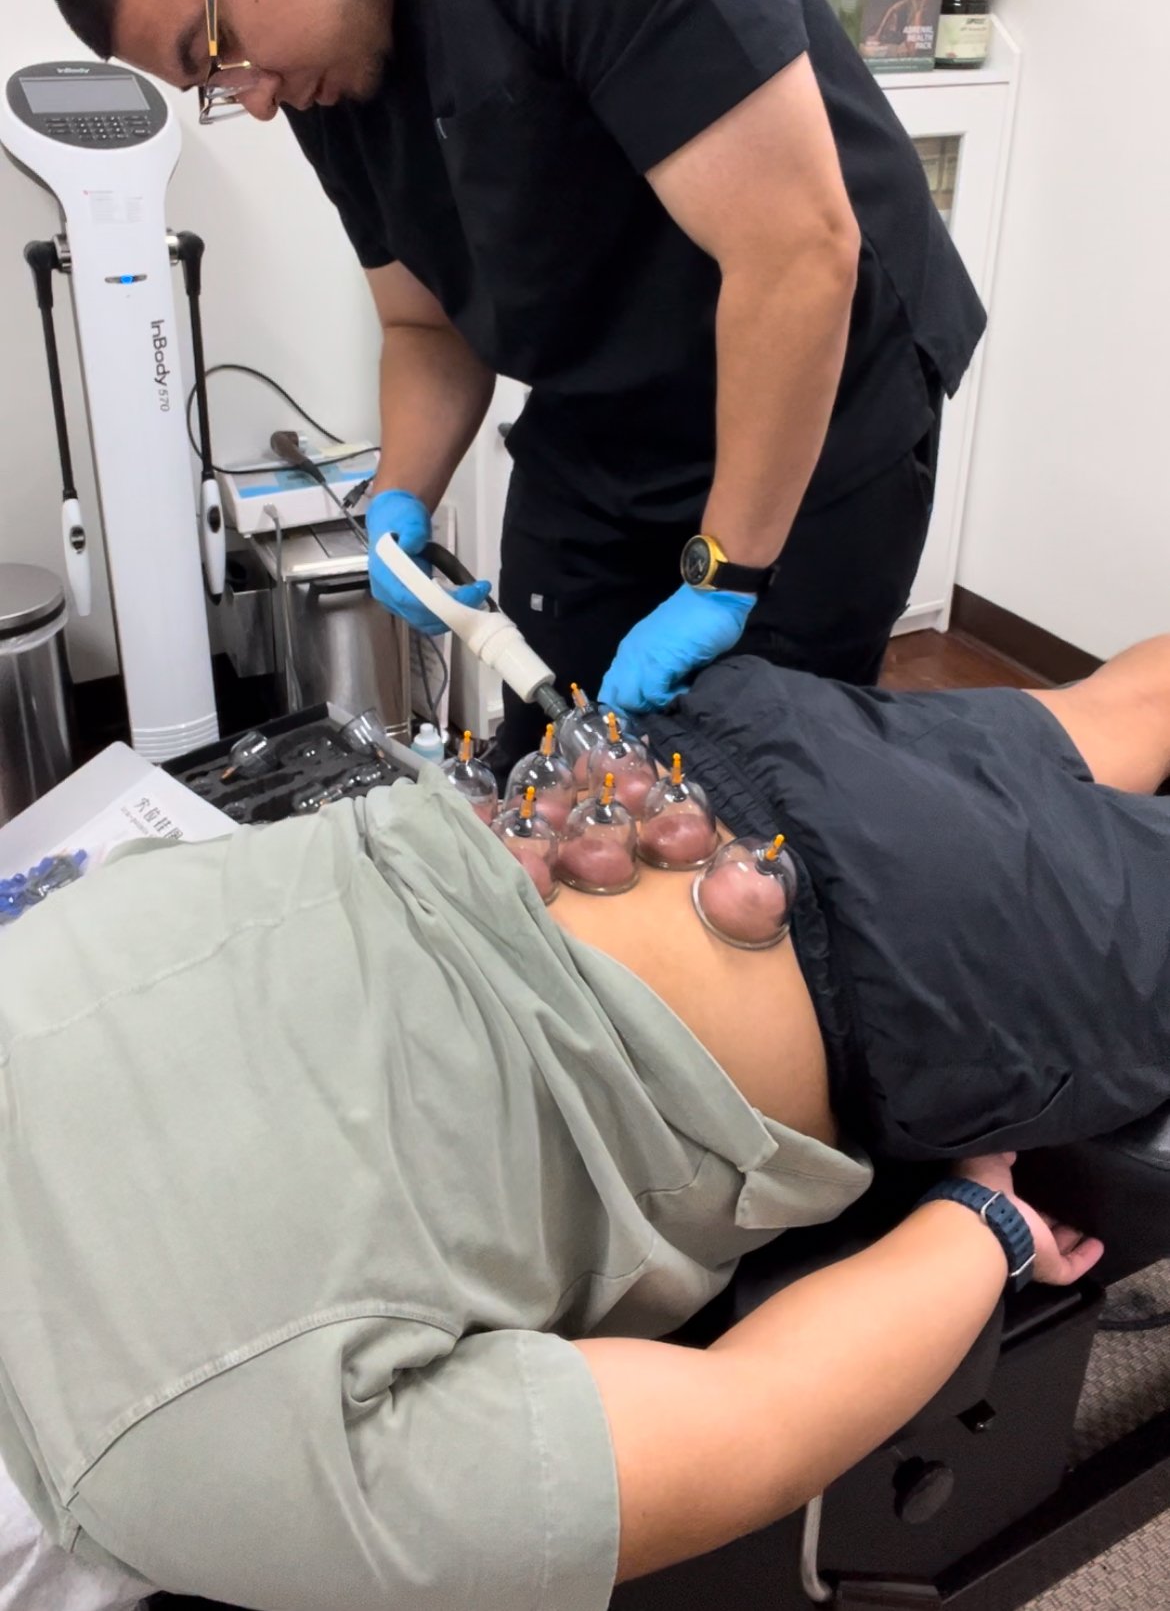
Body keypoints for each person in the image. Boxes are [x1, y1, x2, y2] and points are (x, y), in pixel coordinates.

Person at [4, 635, 1170, 1609]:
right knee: (1116, 710)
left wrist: (979, 1224)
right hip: (664, 769)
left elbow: (754, 1419)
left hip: (905, 959)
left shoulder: (178, 1464)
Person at [27, 0, 985, 768]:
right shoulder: (321, 60)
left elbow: (797, 253)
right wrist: (401, 499)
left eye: (213, 51)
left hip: (817, 382)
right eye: (213, 88)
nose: (248, 98)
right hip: (607, 400)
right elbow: (421, 322)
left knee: (750, 798)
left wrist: (722, 581)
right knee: (543, 760)